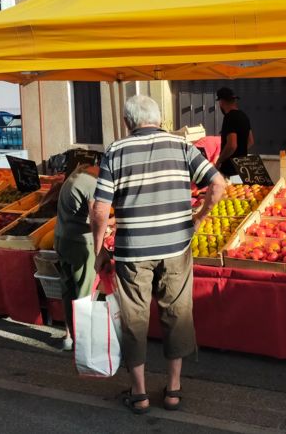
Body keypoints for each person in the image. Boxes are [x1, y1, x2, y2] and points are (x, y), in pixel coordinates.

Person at [91, 95, 226, 414]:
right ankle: (174, 389)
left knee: (134, 319)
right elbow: (218, 183)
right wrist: (199, 218)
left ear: (127, 122)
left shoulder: (115, 150)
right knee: (177, 313)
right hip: (176, 246)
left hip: (132, 251)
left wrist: (98, 250)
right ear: (160, 119)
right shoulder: (181, 146)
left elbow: (99, 209)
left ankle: (139, 393)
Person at [54, 163, 101, 351]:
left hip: (61, 239)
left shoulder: (74, 177)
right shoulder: (91, 184)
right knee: (84, 293)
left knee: (68, 290)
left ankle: (69, 336)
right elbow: (95, 218)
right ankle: (83, 343)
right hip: (80, 244)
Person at [214, 87, 254, 177]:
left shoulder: (229, 117)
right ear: (234, 101)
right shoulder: (244, 116)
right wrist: (240, 153)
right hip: (242, 168)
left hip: (230, 169)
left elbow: (232, 145)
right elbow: (251, 141)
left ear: (221, 102)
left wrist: (219, 160)